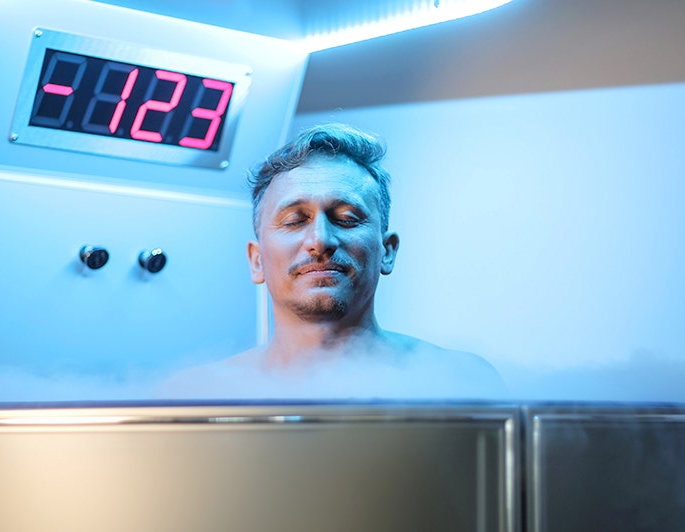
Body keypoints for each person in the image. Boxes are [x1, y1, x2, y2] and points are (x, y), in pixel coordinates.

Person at [163, 123, 506, 399]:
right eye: (296, 220)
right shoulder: (195, 396)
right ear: (256, 261)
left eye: (346, 218)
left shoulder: (459, 383)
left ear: (387, 251)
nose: (320, 241)